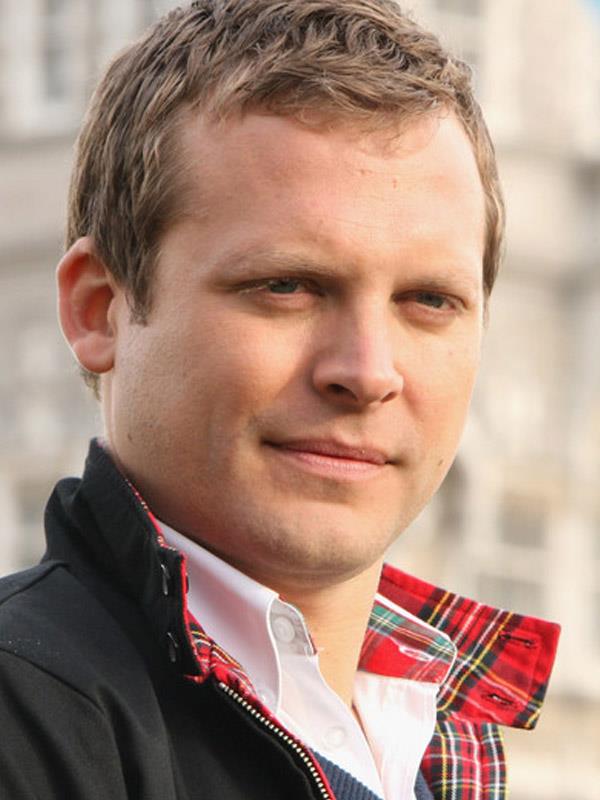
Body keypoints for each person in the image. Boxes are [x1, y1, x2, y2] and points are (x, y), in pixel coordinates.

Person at [0, 1, 560, 798]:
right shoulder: (26, 718)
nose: (367, 371)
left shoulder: (440, 748)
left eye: (429, 301)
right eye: (286, 286)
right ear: (100, 310)